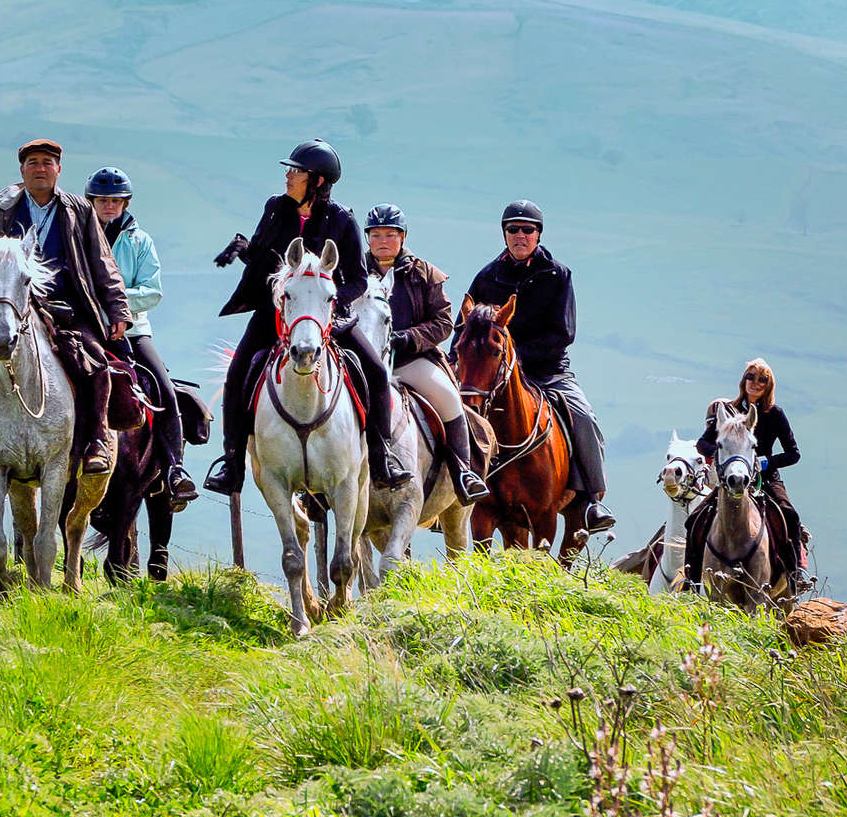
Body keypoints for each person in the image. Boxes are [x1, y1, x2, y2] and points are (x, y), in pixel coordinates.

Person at [202, 139, 411, 497]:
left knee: (375, 371)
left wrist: (330, 305)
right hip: (279, 313)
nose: (288, 176)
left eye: (295, 171)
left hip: (328, 316)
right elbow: (263, 258)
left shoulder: (342, 219)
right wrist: (242, 249)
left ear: (316, 180)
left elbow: (359, 278)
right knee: (238, 372)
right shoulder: (275, 208)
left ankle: (382, 457)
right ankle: (232, 461)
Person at [0, 139, 132, 482]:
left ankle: (94, 442)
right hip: (5, 301)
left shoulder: (79, 210)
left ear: (58, 170)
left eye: (47, 163)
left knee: (95, 362)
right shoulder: (0, 205)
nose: (40, 168)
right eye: (33, 162)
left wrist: (118, 310)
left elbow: (102, 262)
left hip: (67, 305)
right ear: (22, 170)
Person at [460, 200, 615, 532]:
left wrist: (516, 359)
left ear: (538, 235)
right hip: (495, 377)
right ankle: (454, 488)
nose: (520, 235)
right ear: (504, 234)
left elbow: (563, 333)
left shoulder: (557, 274)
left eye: (527, 230)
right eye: (513, 229)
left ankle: (591, 501)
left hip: (549, 372)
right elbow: (469, 329)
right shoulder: (487, 277)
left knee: (584, 416)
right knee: (458, 415)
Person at [85, 166, 198, 509]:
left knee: (164, 391)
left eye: (115, 201)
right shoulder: (78, 237)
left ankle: (175, 469)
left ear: (126, 203)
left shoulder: (140, 241)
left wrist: (114, 300)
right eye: (102, 200)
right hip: (88, 329)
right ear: (91, 202)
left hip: (133, 331)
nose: (109, 206)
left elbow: (152, 291)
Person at [363, 203, 491, 504]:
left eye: (390, 234)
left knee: (448, 398)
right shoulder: (351, 273)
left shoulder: (425, 273)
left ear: (403, 236)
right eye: (376, 234)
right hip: (365, 363)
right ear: (368, 238)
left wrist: (408, 338)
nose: (383, 241)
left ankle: (463, 473)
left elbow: (444, 321)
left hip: (410, 361)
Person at [689, 358, 808, 591]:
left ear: (768, 385)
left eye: (762, 379)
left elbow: (794, 454)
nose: (755, 383)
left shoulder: (775, 414)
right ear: (743, 380)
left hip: (765, 478)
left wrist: (766, 462)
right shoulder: (727, 410)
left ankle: (796, 573)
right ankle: (691, 578)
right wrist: (724, 454)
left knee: (789, 515)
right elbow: (703, 443)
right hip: (730, 478)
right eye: (750, 377)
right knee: (695, 519)